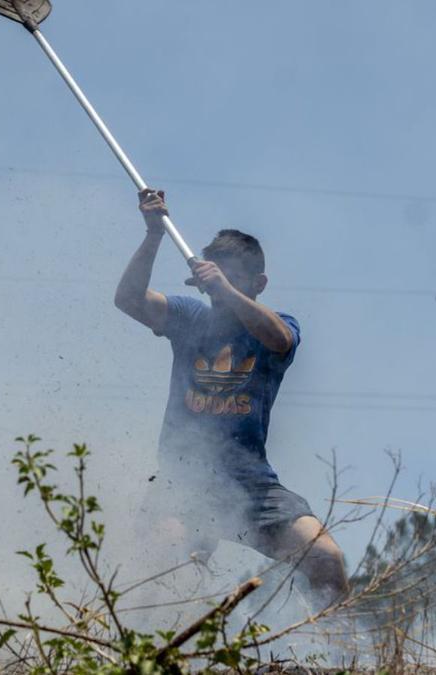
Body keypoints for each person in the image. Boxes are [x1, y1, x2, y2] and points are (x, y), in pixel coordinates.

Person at [114, 188, 349, 599]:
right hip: (183, 483)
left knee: (325, 559)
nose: (217, 286)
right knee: (164, 569)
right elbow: (129, 299)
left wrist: (226, 290)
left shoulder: (276, 326)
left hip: (252, 486)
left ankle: (346, 655)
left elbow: (278, 339)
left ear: (258, 283)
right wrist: (153, 235)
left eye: (232, 277)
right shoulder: (189, 318)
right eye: (214, 275)